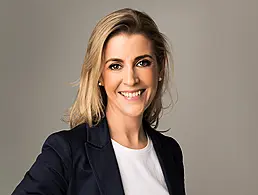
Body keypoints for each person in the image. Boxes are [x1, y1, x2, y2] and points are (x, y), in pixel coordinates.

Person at [12, 8, 186, 195]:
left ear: (160, 68)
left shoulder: (170, 152)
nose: (130, 79)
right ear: (99, 76)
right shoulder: (66, 152)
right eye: (115, 66)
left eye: (142, 62)